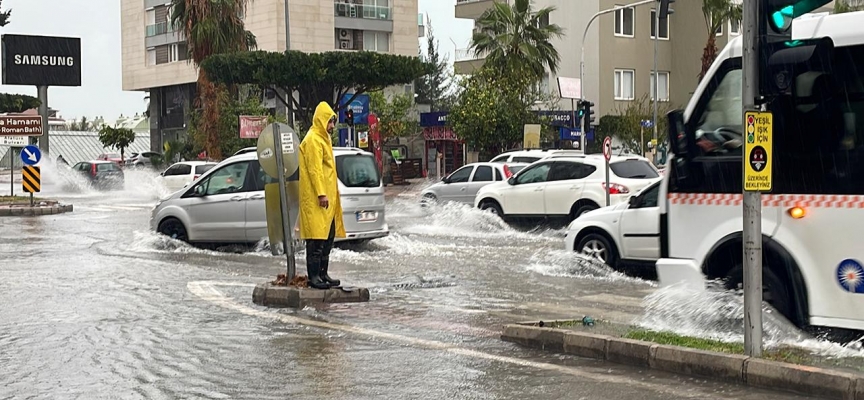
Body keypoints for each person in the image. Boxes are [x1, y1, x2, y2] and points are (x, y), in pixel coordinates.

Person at [298, 102, 346, 290]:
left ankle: (323, 274)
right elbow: (315, 170)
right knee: (316, 239)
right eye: (330, 121)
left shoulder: (323, 138)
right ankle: (314, 276)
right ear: (321, 120)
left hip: (327, 200)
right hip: (318, 199)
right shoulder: (313, 140)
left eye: (333, 122)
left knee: (328, 238)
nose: (332, 126)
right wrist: (321, 193)